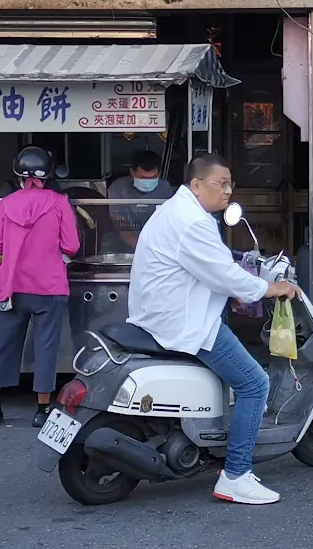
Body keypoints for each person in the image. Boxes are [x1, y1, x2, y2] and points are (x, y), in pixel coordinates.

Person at [128, 153, 298, 506]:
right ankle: (236, 475)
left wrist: (233, 296)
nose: (228, 191)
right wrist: (269, 289)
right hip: (183, 320)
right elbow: (223, 272)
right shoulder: (193, 221)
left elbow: (203, 269)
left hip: (165, 312)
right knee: (255, 383)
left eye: (230, 183)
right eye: (221, 183)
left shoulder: (176, 211)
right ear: (196, 184)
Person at [0, 146, 79, 429]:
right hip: (49, 287)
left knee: (5, 344)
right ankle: (42, 409)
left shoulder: (5, 204)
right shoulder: (59, 203)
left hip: (13, 286)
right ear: (48, 174)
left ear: (17, 173)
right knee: (46, 347)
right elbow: (72, 245)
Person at [103, 149, 172, 252]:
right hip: (123, 243)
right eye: (143, 177)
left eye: (153, 177)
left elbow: (169, 221)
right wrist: (141, 249)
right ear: (132, 172)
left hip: (158, 243)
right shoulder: (117, 188)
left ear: (159, 173)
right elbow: (119, 223)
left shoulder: (165, 188)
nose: (148, 181)